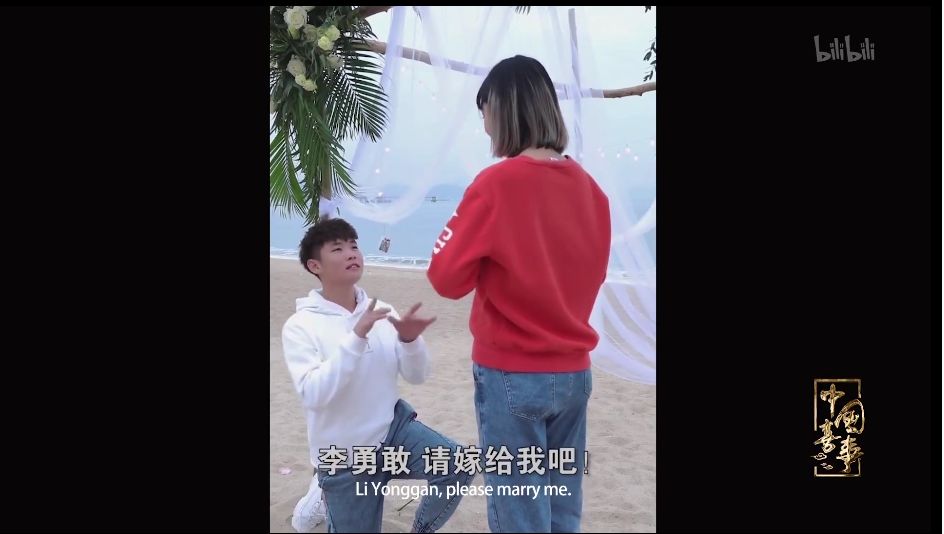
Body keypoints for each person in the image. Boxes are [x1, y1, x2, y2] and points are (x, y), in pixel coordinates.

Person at [426, 55, 611, 533]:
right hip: (573, 372)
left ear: (504, 109)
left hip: (512, 372)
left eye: (484, 110)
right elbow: (587, 274)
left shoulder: (496, 184)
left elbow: (445, 278)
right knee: (562, 506)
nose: (484, 125)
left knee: (520, 514)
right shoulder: (592, 191)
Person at [282, 218, 473, 533]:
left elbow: (417, 375)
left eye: (354, 245)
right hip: (346, 457)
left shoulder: (382, 310)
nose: (351, 253)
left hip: (393, 432)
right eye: (338, 249)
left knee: (457, 465)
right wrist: (356, 337)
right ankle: (318, 496)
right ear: (315, 266)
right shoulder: (301, 326)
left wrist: (409, 341)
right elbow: (314, 394)